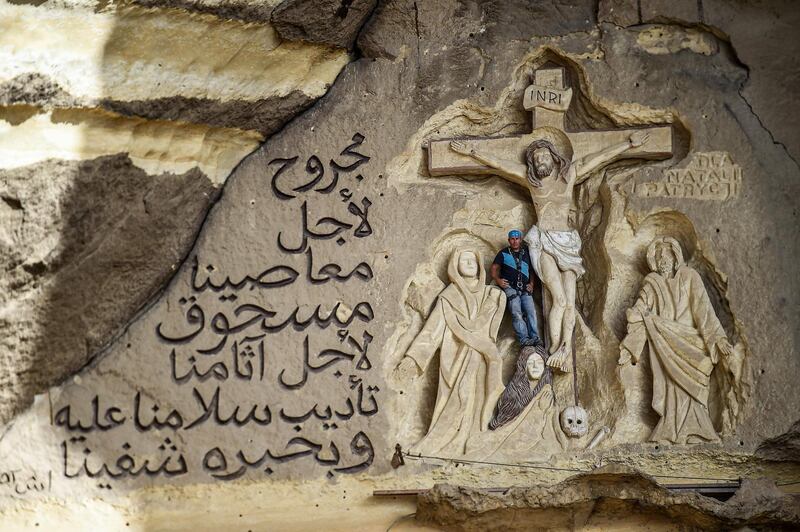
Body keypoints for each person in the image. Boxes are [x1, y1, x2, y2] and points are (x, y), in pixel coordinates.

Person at [619, 237, 733, 444]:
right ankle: (670, 431)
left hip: (690, 343)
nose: (663, 259)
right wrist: (630, 341)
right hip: (664, 343)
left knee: (693, 388)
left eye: (667, 254)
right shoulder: (652, 283)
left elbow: (704, 311)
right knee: (671, 387)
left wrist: (718, 338)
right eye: (659, 255)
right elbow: (641, 309)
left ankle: (698, 431)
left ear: (676, 256)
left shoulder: (690, 277)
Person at [393, 248, 506, 457]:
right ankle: (442, 446)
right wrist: (412, 359)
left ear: (481, 265)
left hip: (481, 359)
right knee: (455, 400)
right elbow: (431, 332)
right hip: (453, 359)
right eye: (464, 260)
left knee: (476, 406)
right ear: (455, 266)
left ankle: (472, 446)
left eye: (473, 259)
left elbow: (491, 331)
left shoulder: (491, 295)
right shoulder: (448, 297)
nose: (469, 263)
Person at [491, 229, 542, 348]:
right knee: (516, 313)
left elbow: (531, 271)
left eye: (517, 239)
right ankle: (524, 339)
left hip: (525, 288)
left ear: (520, 239)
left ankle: (535, 337)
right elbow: (493, 269)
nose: (515, 241)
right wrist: (498, 280)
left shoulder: (526, 253)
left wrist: (532, 284)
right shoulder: (503, 253)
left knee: (531, 312)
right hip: (510, 287)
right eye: (512, 239)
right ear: (509, 240)